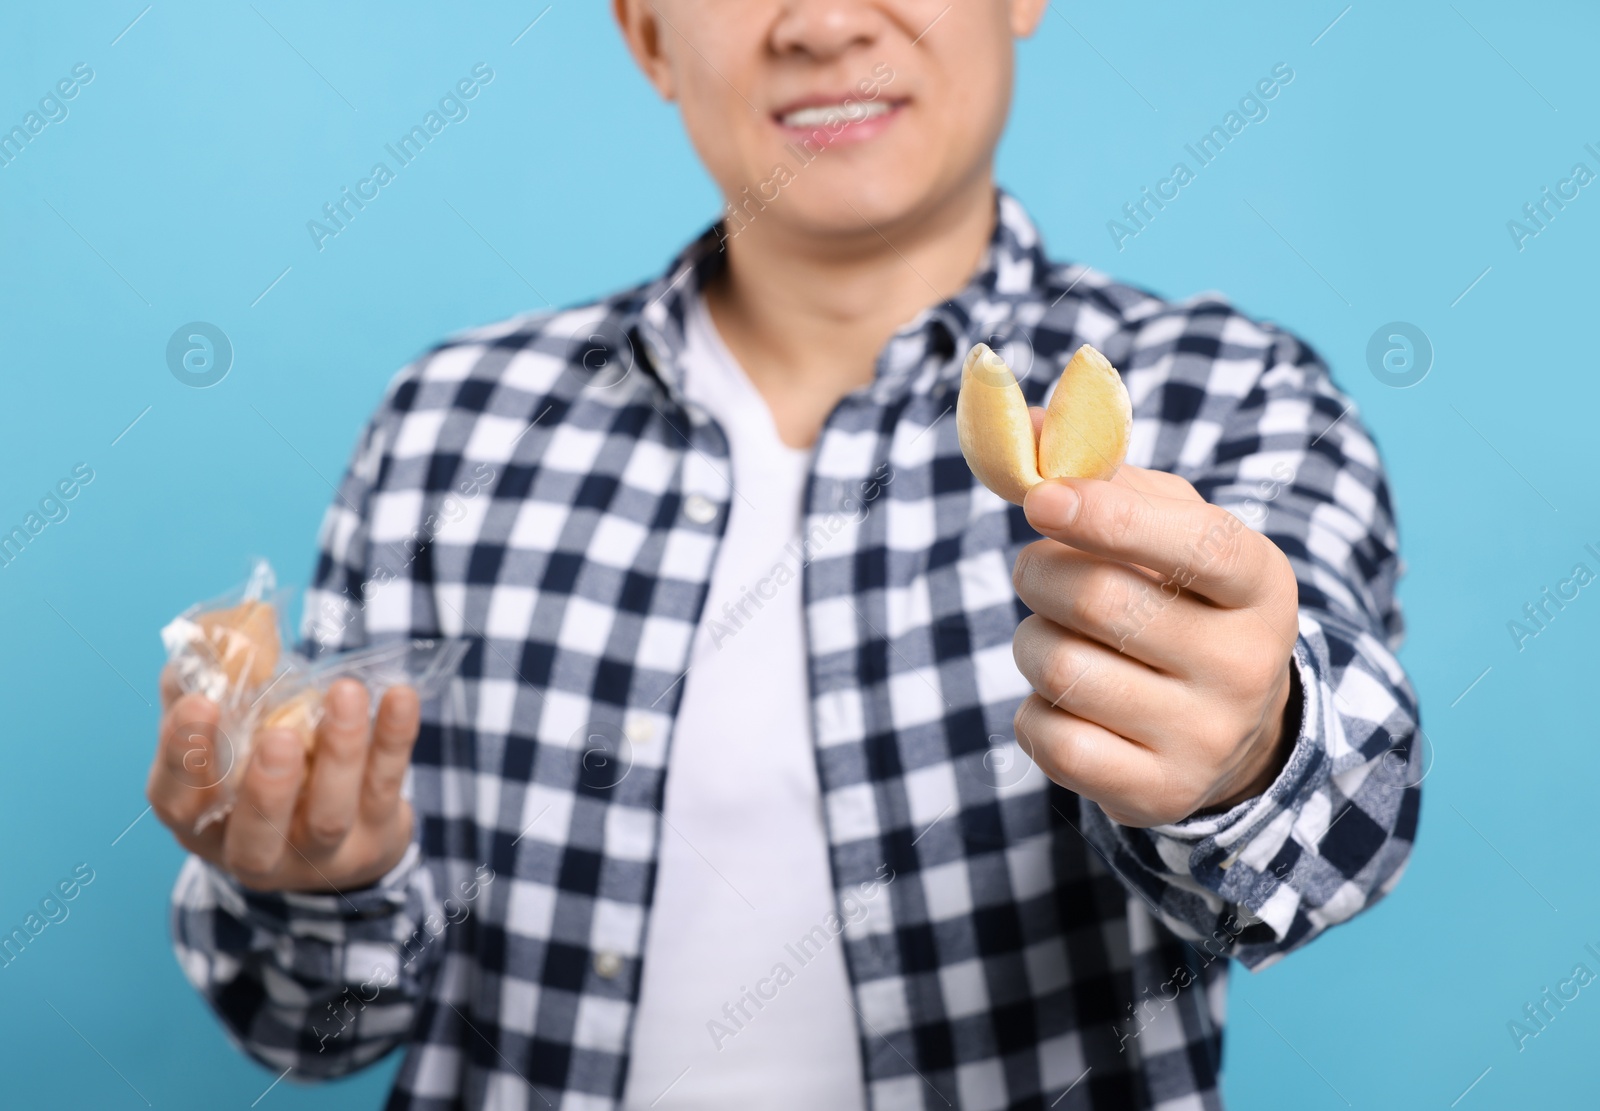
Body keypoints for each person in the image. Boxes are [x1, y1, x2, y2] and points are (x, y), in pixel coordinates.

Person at [150, 2, 1421, 1107]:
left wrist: (1250, 745)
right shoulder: (452, 429)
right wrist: (313, 883)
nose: (820, 20)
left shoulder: (1223, 395)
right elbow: (310, 1031)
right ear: (646, 30)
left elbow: (1345, 824)